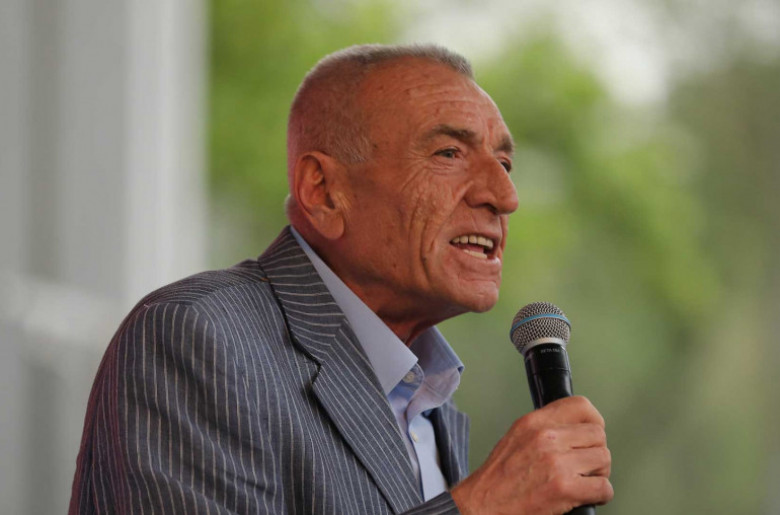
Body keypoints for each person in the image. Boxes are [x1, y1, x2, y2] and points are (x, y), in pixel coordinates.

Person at [70, 44, 612, 514]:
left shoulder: (431, 405)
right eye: (449, 153)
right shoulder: (196, 337)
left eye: (505, 164)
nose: (505, 196)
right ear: (324, 192)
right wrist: (478, 507)